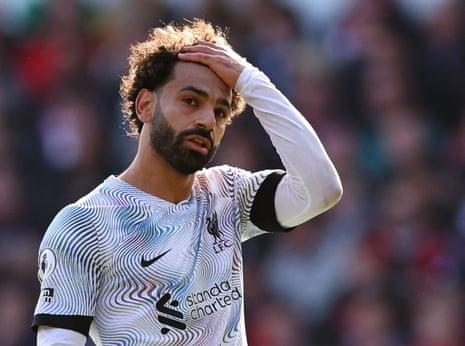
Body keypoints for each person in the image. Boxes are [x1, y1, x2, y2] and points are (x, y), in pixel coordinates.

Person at [31, 18, 342, 345]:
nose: (208, 120)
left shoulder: (229, 194)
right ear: (145, 105)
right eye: (191, 101)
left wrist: (251, 81)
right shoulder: (83, 225)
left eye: (221, 112)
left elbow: (322, 189)